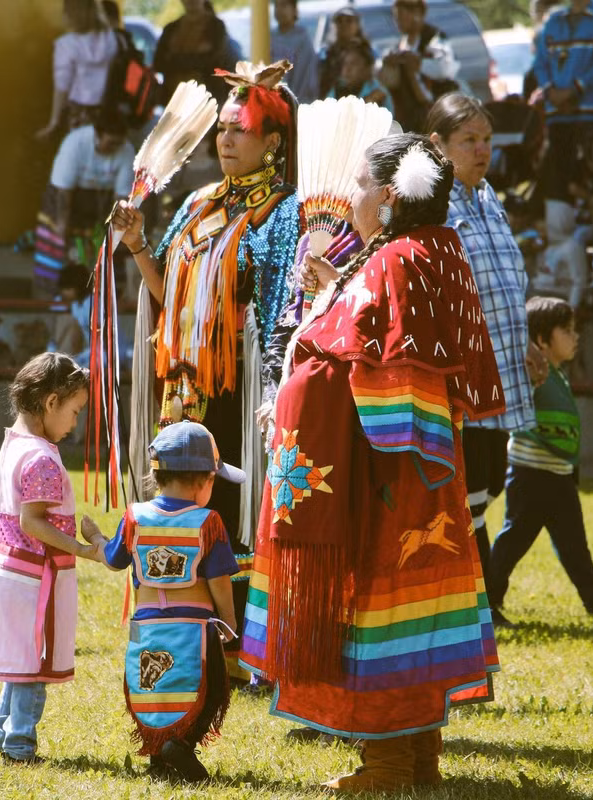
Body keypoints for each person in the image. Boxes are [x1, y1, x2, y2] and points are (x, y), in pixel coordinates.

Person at [240, 134, 503, 791]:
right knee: (415, 612)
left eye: (361, 183)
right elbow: (387, 340)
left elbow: (357, 357)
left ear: (389, 196)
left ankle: (385, 764)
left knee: (379, 610)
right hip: (422, 471)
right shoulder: (435, 251)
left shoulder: (393, 261)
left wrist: (320, 325)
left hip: (383, 476)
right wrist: (338, 290)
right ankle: (418, 759)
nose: (352, 193)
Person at [109, 61, 302, 678]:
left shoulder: (282, 212)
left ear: (272, 141)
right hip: (185, 384)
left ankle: (242, 641)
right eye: (221, 128)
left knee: (233, 509)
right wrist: (139, 243)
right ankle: (181, 620)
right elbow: (166, 293)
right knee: (181, 499)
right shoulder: (197, 203)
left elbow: (278, 310)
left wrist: (269, 383)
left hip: (239, 390)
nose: (225, 139)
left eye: (239, 129)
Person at [427, 94, 545, 620]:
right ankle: (475, 601)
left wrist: (528, 343)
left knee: (491, 479)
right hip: (464, 365)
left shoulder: (488, 195)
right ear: (437, 145)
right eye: (468, 141)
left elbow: (507, 278)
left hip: (504, 360)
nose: (481, 150)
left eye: (486, 140)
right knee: (473, 481)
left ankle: (474, 593)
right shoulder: (432, 205)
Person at [79, 420, 241, 782]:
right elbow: (218, 581)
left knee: (155, 686)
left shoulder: (135, 517)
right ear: (203, 482)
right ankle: (180, 748)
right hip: (194, 624)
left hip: (148, 623)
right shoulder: (207, 522)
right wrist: (229, 622)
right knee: (211, 690)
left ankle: (158, 755)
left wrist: (95, 536)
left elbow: (113, 559)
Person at [0, 351, 103, 763]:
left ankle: (2, 737)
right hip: (34, 577)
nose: (74, 424)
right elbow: (33, 521)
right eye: (74, 412)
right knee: (32, 664)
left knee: (18, 660)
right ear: (51, 402)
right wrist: (83, 549)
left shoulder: (14, 443)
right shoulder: (40, 458)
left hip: (9, 572)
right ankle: (20, 745)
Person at [489, 297, 593, 622]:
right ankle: (486, 601)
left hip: (559, 476)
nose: (576, 336)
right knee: (513, 541)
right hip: (530, 475)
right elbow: (513, 402)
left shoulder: (556, 374)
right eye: (567, 331)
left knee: (574, 545)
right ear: (541, 340)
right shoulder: (534, 374)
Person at [34, 108, 134, 296]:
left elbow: (121, 197)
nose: (115, 148)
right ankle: (53, 297)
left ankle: (99, 297)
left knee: (103, 250)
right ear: (98, 135)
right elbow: (63, 191)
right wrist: (62, 225)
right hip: (64, 199)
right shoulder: (75, 143)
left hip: (100, 203)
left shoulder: (126, 150)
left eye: (118, 144)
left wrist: (116, 230)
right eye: (110, 143)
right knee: (56, 248)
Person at [531, 0, 593, 208]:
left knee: (589, 171)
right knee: (559, 176)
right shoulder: (553, 22)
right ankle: (557, 231)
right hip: (557, 114)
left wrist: (573, 91)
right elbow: (540, 63)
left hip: (589, 113)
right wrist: (550, 90)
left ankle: (592, 225)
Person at [37, 0, 118, 139]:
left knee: (78, 151)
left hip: (78, 112)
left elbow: (62, 86)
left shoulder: (66, 44)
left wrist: (54, 121)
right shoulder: (109, 38)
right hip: (107, 109)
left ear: (70, 15)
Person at [379, 0, 461, 133]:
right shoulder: (401, 44)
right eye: (396, 17)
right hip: (411, 119)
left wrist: (419, 63)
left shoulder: (435, 38)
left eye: (401, 16)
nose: (397, 21)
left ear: (417, 13)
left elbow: (445, 68)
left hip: (437, 115)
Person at [154, 0, 237, 105]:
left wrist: (175, 59)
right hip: (174, 102)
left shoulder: (216, 27)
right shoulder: (170, 29)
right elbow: (159, 64)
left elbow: (214, 62)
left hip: (207, 103)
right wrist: (195, 58)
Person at [318, 7, 373, 99]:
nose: (344, 24)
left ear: (357, 24)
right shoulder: (327, 53)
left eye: (349, 21)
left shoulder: (366, 51)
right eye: (339, 21)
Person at [328, 39, 395, 114]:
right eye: (345, 63)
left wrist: (370, 99)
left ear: (367, 69)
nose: (347, 69)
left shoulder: (378, 92)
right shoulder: (338, 88)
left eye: (354, 63)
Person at [271, 0, 318, 104]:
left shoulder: (302, 39)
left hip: (295, 102)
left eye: (283, 5)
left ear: (294, 10)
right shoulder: (270, 37)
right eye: (276, 6)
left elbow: (305, 78)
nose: (279, 10)